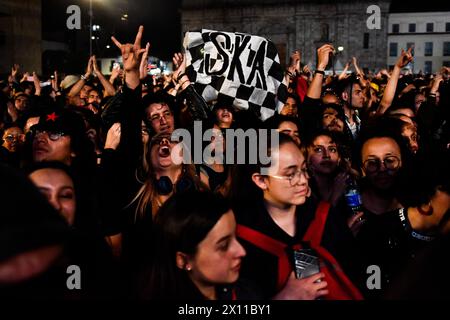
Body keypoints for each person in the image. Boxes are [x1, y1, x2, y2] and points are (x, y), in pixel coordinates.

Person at [231, 133, 363, 300]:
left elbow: (356, 274)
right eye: (290, 174)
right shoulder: (240, 236)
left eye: (303, 169)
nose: (302, 180)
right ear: (261, 180)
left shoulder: (324, 216)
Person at [141, 190, 246, 300]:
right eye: (224, 246)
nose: (242, 251)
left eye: (236, 236)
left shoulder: (247, 292)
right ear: (183, 260)